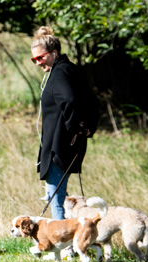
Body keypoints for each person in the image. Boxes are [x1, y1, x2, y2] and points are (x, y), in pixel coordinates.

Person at [31, 26, 99, 220]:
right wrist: (82, 130)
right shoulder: (69, 69)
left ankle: (63, 246)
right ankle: (72, 241)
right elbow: (92, 101)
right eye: (34, 59)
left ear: (53, 53)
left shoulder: (60, 72)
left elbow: (70, 100)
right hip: (65, 144)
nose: (37, 63)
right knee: (57, 194)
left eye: (40, 58)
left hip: (59, 146)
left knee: (56, 196)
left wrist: (72, 131)